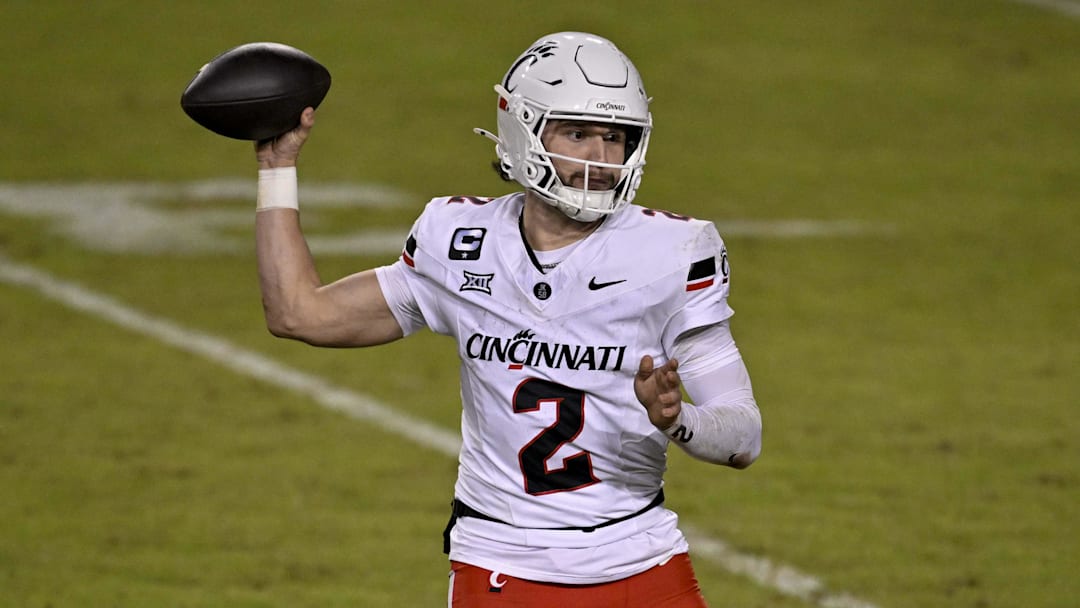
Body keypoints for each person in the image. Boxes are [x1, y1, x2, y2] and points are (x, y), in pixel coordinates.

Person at [253, 31, 762, 608]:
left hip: (640, 561)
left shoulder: (672, 251)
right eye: (576, 133)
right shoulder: (459, 241)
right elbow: (298, 312)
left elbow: (743, 435)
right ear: (523, 130)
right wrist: (277, 164)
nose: (599, 159)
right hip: (501, 565)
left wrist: (676, 418)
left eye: (615, 138)